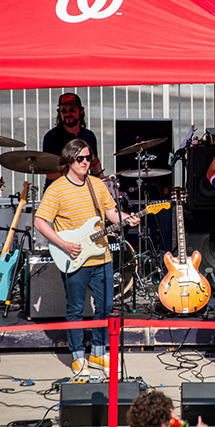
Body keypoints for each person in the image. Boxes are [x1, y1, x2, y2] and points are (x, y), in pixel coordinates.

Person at [35, 139, 139, 376]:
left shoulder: (96, 185)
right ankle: (78, 356)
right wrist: (63, 243)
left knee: (106, 306)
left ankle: (99, 353)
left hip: (101, 256)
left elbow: (111, 213)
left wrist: (127, 218)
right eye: (80, 158)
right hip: (74, 257)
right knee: (76, 309)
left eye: (88, 157)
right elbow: (40, 221)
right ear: (69, 160)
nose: (85, 162)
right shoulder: (57, 188)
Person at [42, 92, 104, 190]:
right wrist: (78, 173)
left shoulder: (89, 136)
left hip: (83, 188)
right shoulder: (51, 137)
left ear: (81, 111)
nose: (68, 114)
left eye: (72, 110)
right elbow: (51, 175)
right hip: (59, 190)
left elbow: (94, 162)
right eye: (63, 111)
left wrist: (101, 179)